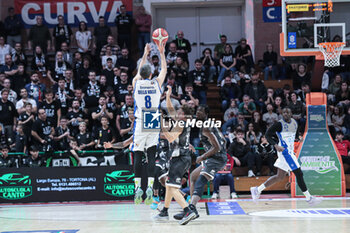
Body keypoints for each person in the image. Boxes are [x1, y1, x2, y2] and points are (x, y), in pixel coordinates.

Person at [250, 108, 322, 205]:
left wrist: (299, 137)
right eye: (284, 112)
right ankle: (309, 198)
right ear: (282, 114)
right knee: (299, 174)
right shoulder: (279, 124)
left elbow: (295, 134)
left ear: (291, 113)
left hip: (290, 151)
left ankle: (257, 190)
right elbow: (267, 135)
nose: (286, 114)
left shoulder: (294, 123)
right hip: (285, 152)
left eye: (287, 112)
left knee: (279, 177)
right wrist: (276, 145)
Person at [173, 105, 227, 221]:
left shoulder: (206, 127)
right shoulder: (207, 125)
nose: (197, 113)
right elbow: (223, 140)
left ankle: (191, 208)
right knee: (193, 177)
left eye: (200, 111)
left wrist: (202, 156)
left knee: (201, 180)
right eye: (197, 111)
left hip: (216, 158)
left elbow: (217, 147)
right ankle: (192, 210)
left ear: (206, 114)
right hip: (213, 157)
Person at [153, 87, 197, 225]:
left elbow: (171, 138)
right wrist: (168, 95)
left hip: (181, 158)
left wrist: (162, 125)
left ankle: (188, 210)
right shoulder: (181, 121)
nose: (176, 111)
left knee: (172, 187)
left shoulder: (181, 123)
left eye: (179, 111)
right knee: (169, 184)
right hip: (181, 158)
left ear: (182, 114)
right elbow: (170, 108)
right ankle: (165, 210)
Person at [131, 41, 166, 205]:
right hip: (153, 117)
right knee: (151, 154)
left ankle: (138, 188)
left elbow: (139, 73)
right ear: (151, 75)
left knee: (138, 154)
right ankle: (151, 187)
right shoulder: (156, 83)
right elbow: (164, 69)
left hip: (140, 118)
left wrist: (145, 54)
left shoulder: (136, 83)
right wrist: (162, 53)